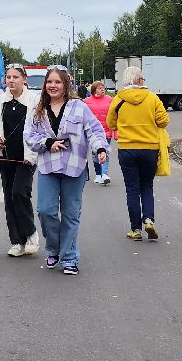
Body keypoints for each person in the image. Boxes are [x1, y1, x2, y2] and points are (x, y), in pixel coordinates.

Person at [24, 66, 108, 275]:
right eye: (49, 82)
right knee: (46, 211)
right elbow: (29, 136)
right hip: (48, 166)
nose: (53, 86)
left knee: (70, 214)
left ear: (65, 85)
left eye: (57, 82)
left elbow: (94, 130)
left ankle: (69, 257)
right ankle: (54, 248)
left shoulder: (79, 107)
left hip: (74, 166)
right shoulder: (38, 108)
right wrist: (47, 142)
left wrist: (100, 148)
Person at [106, 66, 170, 242]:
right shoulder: (152, 98)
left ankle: (135, 229)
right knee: (147, 185)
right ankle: (148, 219)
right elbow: (163, 121)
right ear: (140, 80)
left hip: (127, 149)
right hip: (149, 149)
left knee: (132, 189)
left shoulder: (118, 99)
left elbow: (111, 123)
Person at [0, 62, 40, 257]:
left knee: (20, 193)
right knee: (9, 197)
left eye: (16, 77)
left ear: (24, 79)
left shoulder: (34, 101)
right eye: (8, 77)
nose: (11, 80)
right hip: (6, 158)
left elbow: (40, 127)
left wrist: (33, 155)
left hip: (26, 158)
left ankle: (30, 234)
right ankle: (17, 241)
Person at [83, 81, 115, 186]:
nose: (102, 89)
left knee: (105, 151)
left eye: (103, 87)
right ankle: (98, 174)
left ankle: (104, 174)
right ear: (94, 90)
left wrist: (115, 130)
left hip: (106, 131)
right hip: (93, 132)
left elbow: (115, 114)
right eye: (99, 88)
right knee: (95, 153)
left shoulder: (110, 100)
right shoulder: (86, 101)